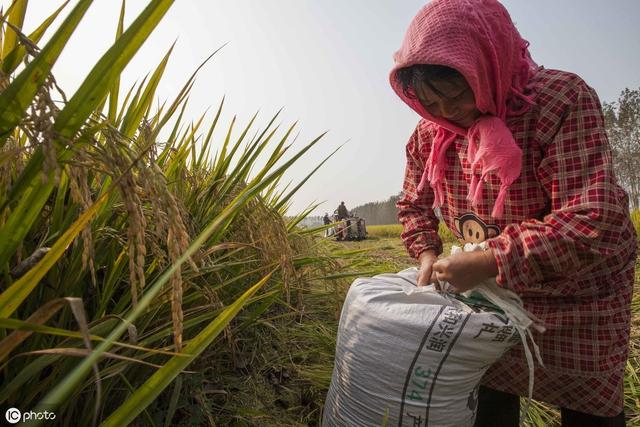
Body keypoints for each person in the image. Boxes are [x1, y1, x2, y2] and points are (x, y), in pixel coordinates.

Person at [389, 1, 637, 426]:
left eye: (457, 94)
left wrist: (491, 260)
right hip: (490, 301)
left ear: (489, 62)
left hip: (579, 298)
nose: (448, 113)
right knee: (487, 398)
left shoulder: (558, 101)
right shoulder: (430, 134)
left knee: (589, 411)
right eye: (431, 101)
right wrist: (426, 253)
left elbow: (593, 218)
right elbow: (413, 203)